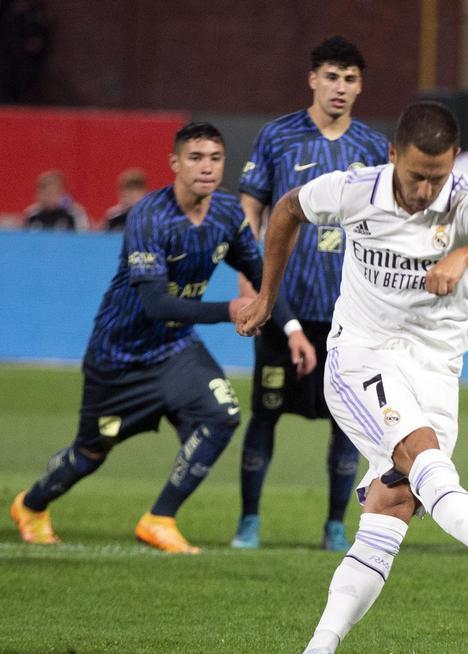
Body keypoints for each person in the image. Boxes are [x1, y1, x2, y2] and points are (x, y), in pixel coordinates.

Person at [234, 101, 468, 654]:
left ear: (454, 161)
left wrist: (465, 253)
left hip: (435, 369)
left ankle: (316, 653)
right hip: (362, 356)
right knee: (420, 454)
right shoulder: (355, 190)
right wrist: (268, 296)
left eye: (438, 176)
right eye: (417, 175)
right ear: (393, 154)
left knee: (395, 502)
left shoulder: (467, 199)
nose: (426, 190)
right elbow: (287, 209)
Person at [9, 122, 295, 552]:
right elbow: (156, 304)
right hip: (119, 356)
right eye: (196, 158)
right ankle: (31, 505)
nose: (207, 167)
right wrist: (228, 310)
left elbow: (260, 275)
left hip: (176, 350)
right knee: (90, 453)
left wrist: (291, 328)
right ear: (175, 163)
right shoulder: (150, 216)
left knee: (222, 415)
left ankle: (159, 518)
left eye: (215, 158)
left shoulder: (227, 213)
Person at [231, 36, 390, 552]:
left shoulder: (373, 147)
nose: (340, 87)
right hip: (283, 305)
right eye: (331, 76)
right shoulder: (277, 136)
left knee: (348, 422)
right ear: (313, 80)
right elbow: (251, 208)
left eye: (350, 79)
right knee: (266, 411)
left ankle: (335, 526)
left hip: (350, 311)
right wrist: (249, 281)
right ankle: (248, 522)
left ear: (360, 86)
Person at [24, 169, 89, 231]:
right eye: (46, 193)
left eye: (54, 193)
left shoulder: (75, 213)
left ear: (63, 193)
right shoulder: (31, 214)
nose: (50, 197)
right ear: (38, 195)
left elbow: (84, 236)